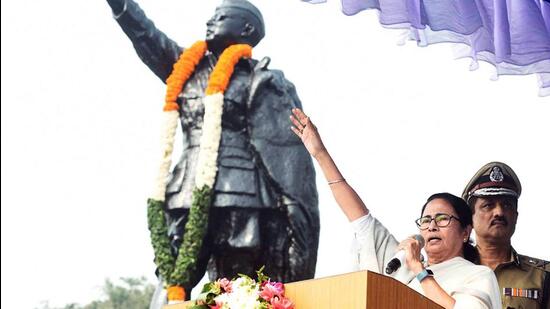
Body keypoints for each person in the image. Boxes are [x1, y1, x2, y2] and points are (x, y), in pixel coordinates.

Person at [105, 0, 319, 302]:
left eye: (221, 16)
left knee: (234, 288)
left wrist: (296, 225)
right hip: (186, 193)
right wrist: (121, 5)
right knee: (171, 282)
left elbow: (288, 158)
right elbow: (145, 35)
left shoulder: (263, 79)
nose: (210, 20)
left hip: (241, 198)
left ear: (247, 28)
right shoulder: (184, 68)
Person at [290, 108, 501, 309]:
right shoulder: (402, 269)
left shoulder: (478, 276)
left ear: (465, 231)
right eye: (426, 221)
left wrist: (420, 270)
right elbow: (361, 221)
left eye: (442, 218)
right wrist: (320, 154)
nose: (432, 226)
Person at [462, 162, 550, 309]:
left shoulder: (543, 276)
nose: (499, 212)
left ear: (516, 216)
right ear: (471, 217)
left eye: (507, 205)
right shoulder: (453, 269)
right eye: (488, 205)